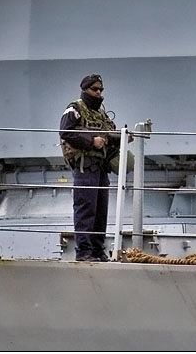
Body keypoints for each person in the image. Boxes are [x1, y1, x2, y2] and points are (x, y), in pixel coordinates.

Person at [59, 73, 122, 262]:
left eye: (101, 90)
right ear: (85, 89)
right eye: (94, 89)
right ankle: (84, 252)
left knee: (100, 212)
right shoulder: (74, 109)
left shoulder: (100, 113)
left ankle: (97, 250)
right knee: (86, 210)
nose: (98, 93)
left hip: (101, 168)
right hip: (85, 168)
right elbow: (66, 132)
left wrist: (121, 138)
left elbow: (109, 133)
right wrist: (91, 141)